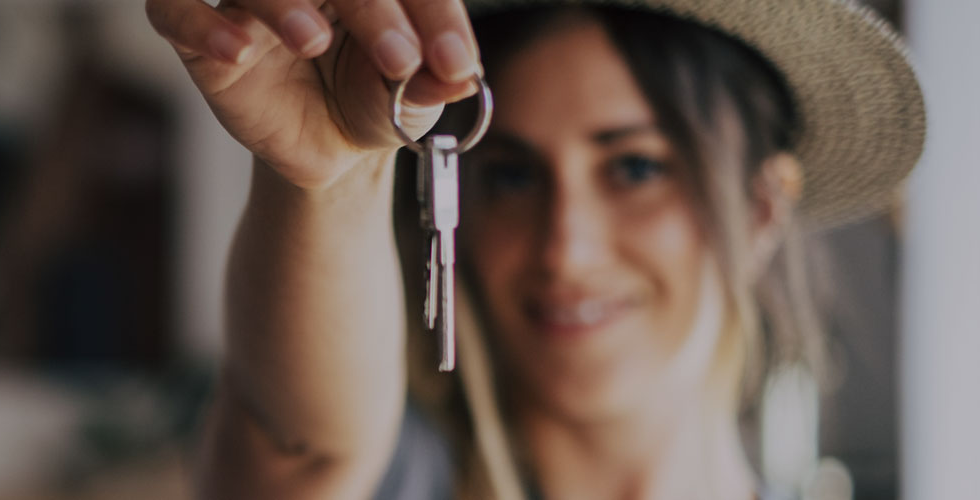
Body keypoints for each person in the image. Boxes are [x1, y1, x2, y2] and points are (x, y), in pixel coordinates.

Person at [145, 0, 924, 498]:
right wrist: (331, 175)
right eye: (513, 175)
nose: (566, 249)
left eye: (635, 168)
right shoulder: (395, 482)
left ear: (760, 209)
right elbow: (298, 450)